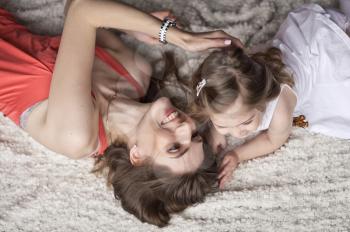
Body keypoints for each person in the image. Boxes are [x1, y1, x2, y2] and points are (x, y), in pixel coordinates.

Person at [0, 0, 240, 226]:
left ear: (137, 156)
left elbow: (82, 13)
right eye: (195, 136)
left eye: (175, 147)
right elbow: (77, 6)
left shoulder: (78, 136)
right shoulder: (135, 72)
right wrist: (132, 27)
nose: (185, 127)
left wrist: (176, 36)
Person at [191, 3, 350, 189]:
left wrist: (237, 155)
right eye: (222, 124)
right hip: (302, 41)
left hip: (321, 58)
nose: (238, 133)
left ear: (262, 99)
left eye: (246, 122)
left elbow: (272, 140)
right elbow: (222, 103)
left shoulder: (280, 109)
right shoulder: (239, 74)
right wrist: (216, 130)